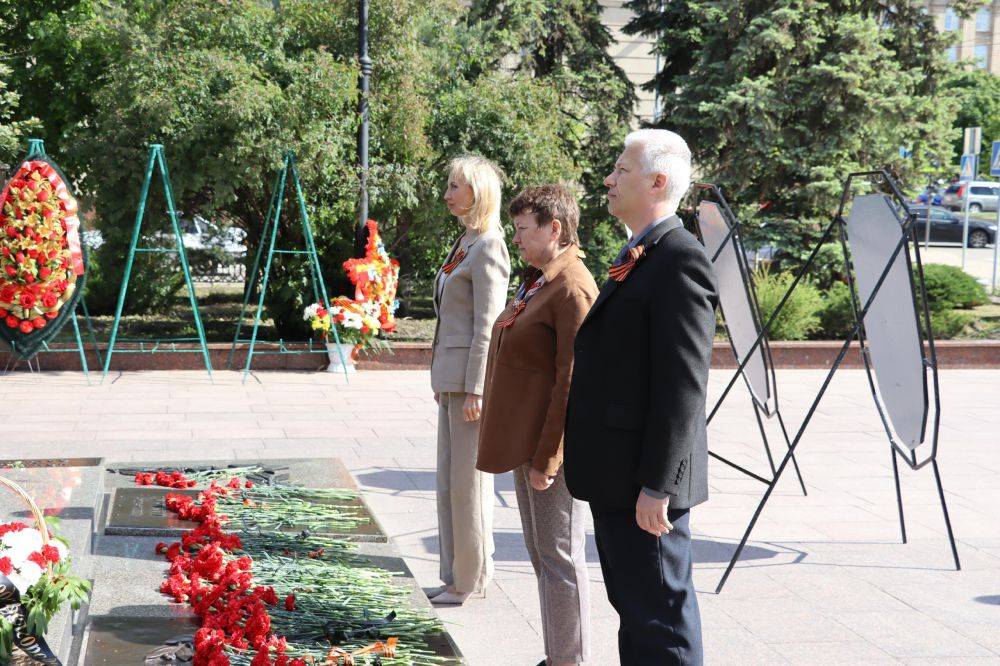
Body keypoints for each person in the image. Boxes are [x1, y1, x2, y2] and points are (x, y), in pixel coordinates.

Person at [564, 129, 718, 665]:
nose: (609, 178)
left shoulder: (679, 258)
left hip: (644, 486)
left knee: (662, 621)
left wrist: (658, 484)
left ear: (656, 180)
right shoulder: (643, 252)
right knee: (638, 611)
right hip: (619, 477)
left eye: (621, 170)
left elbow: (683, 384)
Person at [476, 185, 598, 666]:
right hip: (526, 441)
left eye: (524, 230)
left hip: (550, 450)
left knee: (561, 560)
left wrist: (548, 458)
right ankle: (558, 656)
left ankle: (570, 660)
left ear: (556, 228)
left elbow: (572, 381)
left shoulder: (571, 286)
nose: (518, 239)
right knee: (544, 559)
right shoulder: (540, 279)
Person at [428, 154, 511, 606]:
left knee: (467, 485)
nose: (447, 193)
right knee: (450, 482)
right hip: (451, 379)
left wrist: (478, 387)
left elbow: (488, 324)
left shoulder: (490, 246)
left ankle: (466, 580)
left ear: (477, 192)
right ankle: (460, 572)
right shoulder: (466, 242)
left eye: (455, 186)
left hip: (469, 385)